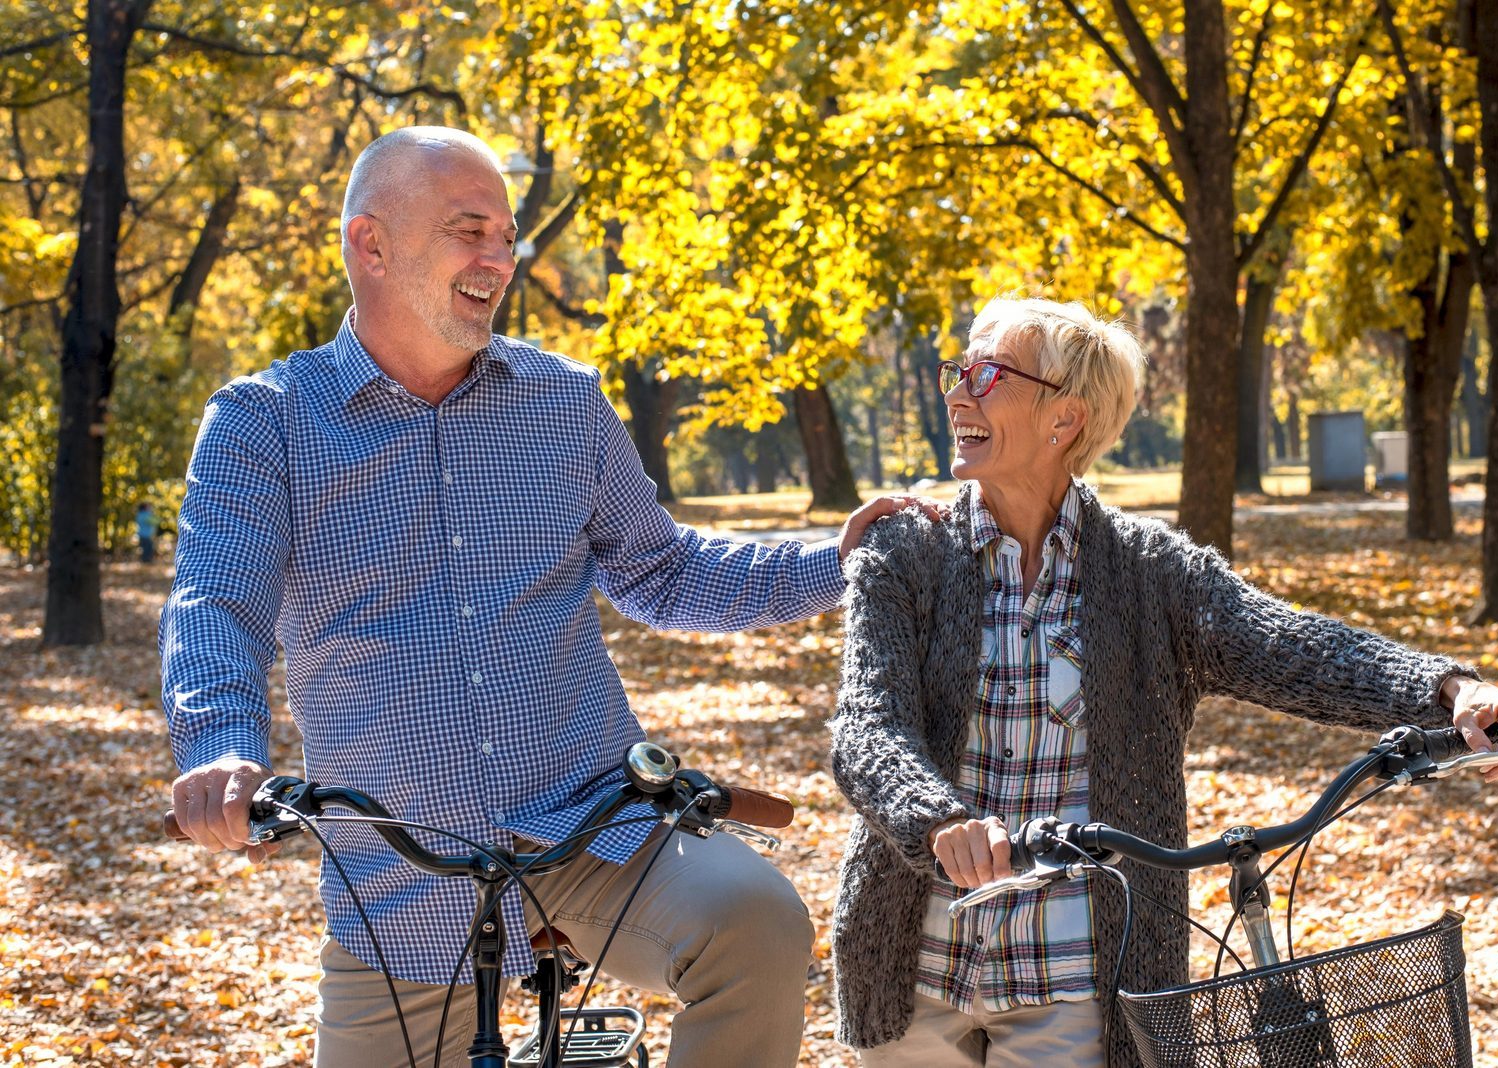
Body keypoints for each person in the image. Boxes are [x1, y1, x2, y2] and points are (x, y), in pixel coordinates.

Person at [161, 125, 928, 1068]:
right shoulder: (265, 422)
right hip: (398, 880)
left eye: (507, 236)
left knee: (758, 922)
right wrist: (220, 750)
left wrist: (837, 558)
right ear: (371, 244)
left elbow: (665, 569)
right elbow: (216, 605)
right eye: (469, 230)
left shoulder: (562, 401)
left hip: (594, 829)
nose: (500, 258)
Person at [826, 297, 1498, 1068]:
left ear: (1064, 419)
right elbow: (868, 724)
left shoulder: (1149, 573)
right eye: (959, 370)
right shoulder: (908, 550)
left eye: (988, 372)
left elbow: (1289, 644)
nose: (959, 391)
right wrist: (936, 819)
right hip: (916, 970)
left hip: (1076, 984)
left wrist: (1449, 690)